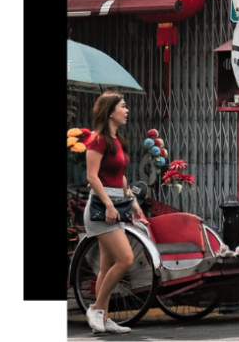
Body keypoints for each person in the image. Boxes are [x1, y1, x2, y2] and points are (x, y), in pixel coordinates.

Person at [82, 91, 147, 334]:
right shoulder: (97, 139)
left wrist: (132, 201)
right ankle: (96, 308)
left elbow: (119, 176)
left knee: (107, 266)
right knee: (126, 259)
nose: (127, 110)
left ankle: (105, 318)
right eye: (123, 106)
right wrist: (109, 204)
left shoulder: (116, 140)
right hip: (102, 210)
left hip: (116, 207)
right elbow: (91, 176)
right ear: (110, 112)